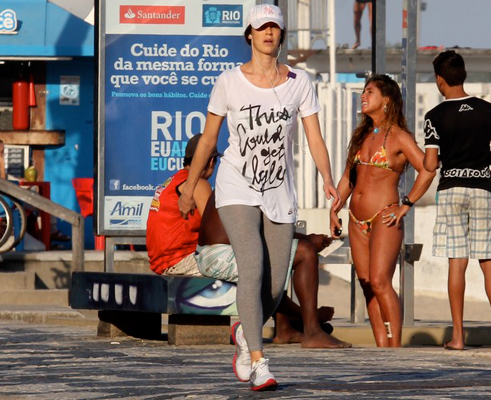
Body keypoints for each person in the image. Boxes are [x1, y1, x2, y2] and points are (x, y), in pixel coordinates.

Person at [178, 4, 340, 391]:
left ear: (281, 35)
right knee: (251, 265)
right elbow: (209, 139)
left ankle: (243, 335)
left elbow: (314, 137)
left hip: (279, 190)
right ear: (249, 35)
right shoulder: (229, 81)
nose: (268, 33)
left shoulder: (299, 83)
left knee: (273, 285)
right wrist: (190, 184)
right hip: (236, 185)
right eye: (261, 27)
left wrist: (328, 180)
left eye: (274, 27)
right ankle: (258, 360)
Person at [423, 50, 491, 352]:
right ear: (464, 75)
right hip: (481, 188)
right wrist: (479, 159)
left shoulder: (435, 117)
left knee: (457, 262)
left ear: (440, 80)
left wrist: (450, 161)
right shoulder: (487, 110)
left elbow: (430, 164)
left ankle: (458, 336)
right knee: (489, 261)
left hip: (451, 189)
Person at [329, 74, 435, 347]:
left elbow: (428, 169)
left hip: (384, 216)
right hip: (355, 217)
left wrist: (406, 205)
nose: (363, 96)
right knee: (365, 283)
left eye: (370, 92)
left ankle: (396, 348)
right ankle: (381, 346)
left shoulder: (399, 137)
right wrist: (335, 208)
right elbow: (347, 179)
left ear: (386, 100)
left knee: (379, 281)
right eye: (363, 92)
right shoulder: (361, 135)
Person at [196, 191, 351, 349]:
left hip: (211, 253)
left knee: (277, 256)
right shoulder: (249, 184)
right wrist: (308, 239)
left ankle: (285, 329)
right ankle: (312, 330)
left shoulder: (232, 182)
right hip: (220, 255)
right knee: (305, 252)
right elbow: (266, 232)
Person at [147, 134, 219, 276]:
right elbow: (216, 231)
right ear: (211, 161)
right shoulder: (198, 184)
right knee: (250, 266)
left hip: (163, 263)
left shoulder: (173, 180)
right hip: (181, 261)